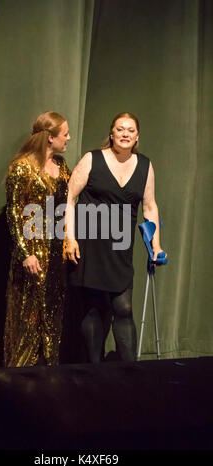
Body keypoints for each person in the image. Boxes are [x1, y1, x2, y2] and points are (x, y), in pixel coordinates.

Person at [65, 112, 166, 363]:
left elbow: (150, 207)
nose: (125, 134)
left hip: (121, 247)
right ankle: (94, 370)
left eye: (130, 130)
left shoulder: (144, 165)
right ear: (111, 134)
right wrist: (70, 237)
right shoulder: (92, 159)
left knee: (123, 308)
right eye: (120, 129)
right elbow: (69, 198)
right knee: (94, 309)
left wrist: (156, 245)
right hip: (90, 243)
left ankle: (130, 372)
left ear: (137, 136)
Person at [4, 111, 71, 367]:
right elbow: (13, 212)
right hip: (32, 253)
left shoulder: (62, 166)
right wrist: (25, 253)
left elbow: (71, 202)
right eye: (65, 134)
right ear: (50, 137)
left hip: (56, 253)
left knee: (52, 317)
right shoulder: (22, 167)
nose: (69, 138)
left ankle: (49, 372)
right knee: (28, 318)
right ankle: (20, 376)